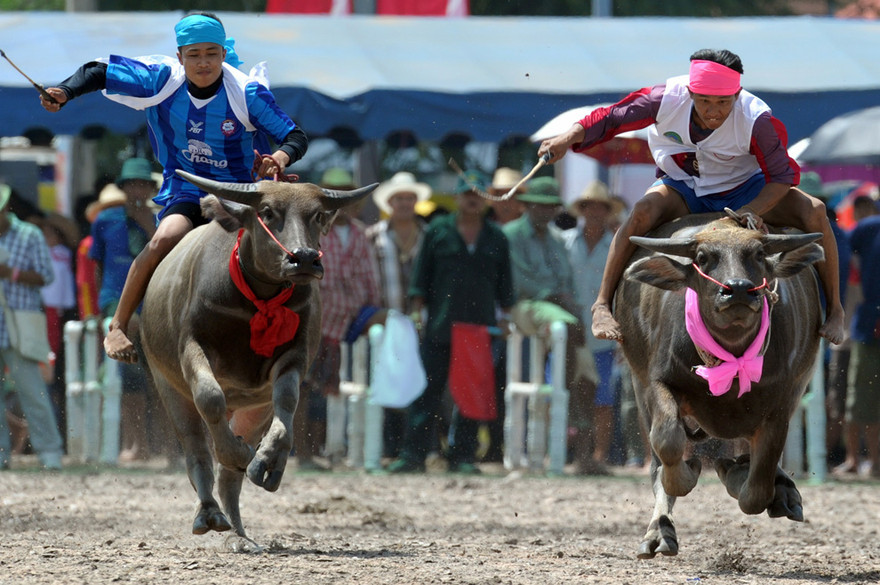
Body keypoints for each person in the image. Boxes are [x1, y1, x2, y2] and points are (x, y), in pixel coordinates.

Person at [40, 12, 308, 363]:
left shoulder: (247, 93)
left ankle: (296, 337)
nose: (203, 62)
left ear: (223, 55)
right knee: (164, 238)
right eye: (194, 54)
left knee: (291, 252)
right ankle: (119, 325)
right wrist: (66, 91)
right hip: (186, 188)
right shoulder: (162, 78)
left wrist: (280, 158)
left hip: (241, 197)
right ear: (180, 56)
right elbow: (100, 71)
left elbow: (295, 136)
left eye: (211, 53)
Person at [537, 48, 845, 347]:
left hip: (745, 189)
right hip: (684, 187)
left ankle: (834, 310)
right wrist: (567, 138)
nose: (712, 112)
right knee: (643, 210)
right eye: (704, 102)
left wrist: (751, 210)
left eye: (723, 103)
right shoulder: (664, 99)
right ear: (690, 92)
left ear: (737, 96)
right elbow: (611, 118)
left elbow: (781, 177)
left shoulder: (757, 120)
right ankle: (602, 305)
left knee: (816, 210)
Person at [389, 170, 515, 474]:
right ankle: (414, 455)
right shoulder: (437, 231)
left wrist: (507, 317)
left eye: (478, 193)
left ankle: (463, 456)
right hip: (440, 325)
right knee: (427, 391)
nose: (472, 198)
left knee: (471, 393)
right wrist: (418, 311)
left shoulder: (497, 236)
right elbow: (421, 277)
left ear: (486, 199)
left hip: (479, 327)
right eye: (466, 192)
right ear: (457, 197)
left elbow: (506, 285)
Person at [501, 176, 600, 473]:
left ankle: (585, 453)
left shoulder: (558, 238)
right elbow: (520, 282)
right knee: (568, 328)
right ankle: (565, 393)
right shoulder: (511, 235)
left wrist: (568, 302)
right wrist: (559, 299)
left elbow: (567, 281)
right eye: (539, 205)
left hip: (561, 311)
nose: (545, 211)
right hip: (526, 306)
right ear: (527, 205)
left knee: (590, 379)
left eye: (550, 207)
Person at [294, 168, 381, 470]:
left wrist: (371, 310)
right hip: (311, 318)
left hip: (350, 323)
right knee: (304, 387)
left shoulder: (360, 234)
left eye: (345, 195)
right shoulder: (309, 229)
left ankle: (332, 450)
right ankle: (304, 452)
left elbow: (371, 280)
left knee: (334, 387)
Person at [89, 158, 161, 462]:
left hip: (151, 300)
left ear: (149, 188)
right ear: (123, 188)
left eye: (142, 184)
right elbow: (97, 266)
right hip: (115, 299)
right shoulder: (105, 220)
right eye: (132, 184)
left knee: (157, 377)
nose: (137, 189)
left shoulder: (161, 222)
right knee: (130, 373)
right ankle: (134, 443)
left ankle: (158, 445)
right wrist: (97, 307)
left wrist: (148, 225)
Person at [366, 171, 431, 458]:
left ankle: (421, 447)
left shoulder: (430, 235)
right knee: (388, 379)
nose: (405, 203)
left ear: (416, 202)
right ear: (389, 203)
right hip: (387, 317)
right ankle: (389, 446)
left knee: (422, 380)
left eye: (409, 198)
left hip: (423, 318)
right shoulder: (373, 236)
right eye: (399, 199)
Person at [0, 183, 64, 470]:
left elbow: (46, 276)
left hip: (20, 323)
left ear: (5, 209)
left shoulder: (29, 234)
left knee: (32, 391)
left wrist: (10, 273)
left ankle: (50, 454)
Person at [561, 180, 621, 472]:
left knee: (602, 399)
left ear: (608, 212)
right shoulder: (564, 242)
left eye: (601, 207)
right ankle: (563, 453)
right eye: (590, 206)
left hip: (603, 333)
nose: (595, 212)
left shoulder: (617, 247)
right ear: (582, 210)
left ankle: (599, 456)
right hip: (570, 332)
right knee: (562, 392)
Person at [834, 197, 880, 477]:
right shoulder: (870, 226)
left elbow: (838, 251)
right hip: (868, 325)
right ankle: (867, 461)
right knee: (860, 397)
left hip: (868, 326)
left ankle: (863, 461)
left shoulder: (868, 227)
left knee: (859, 397)